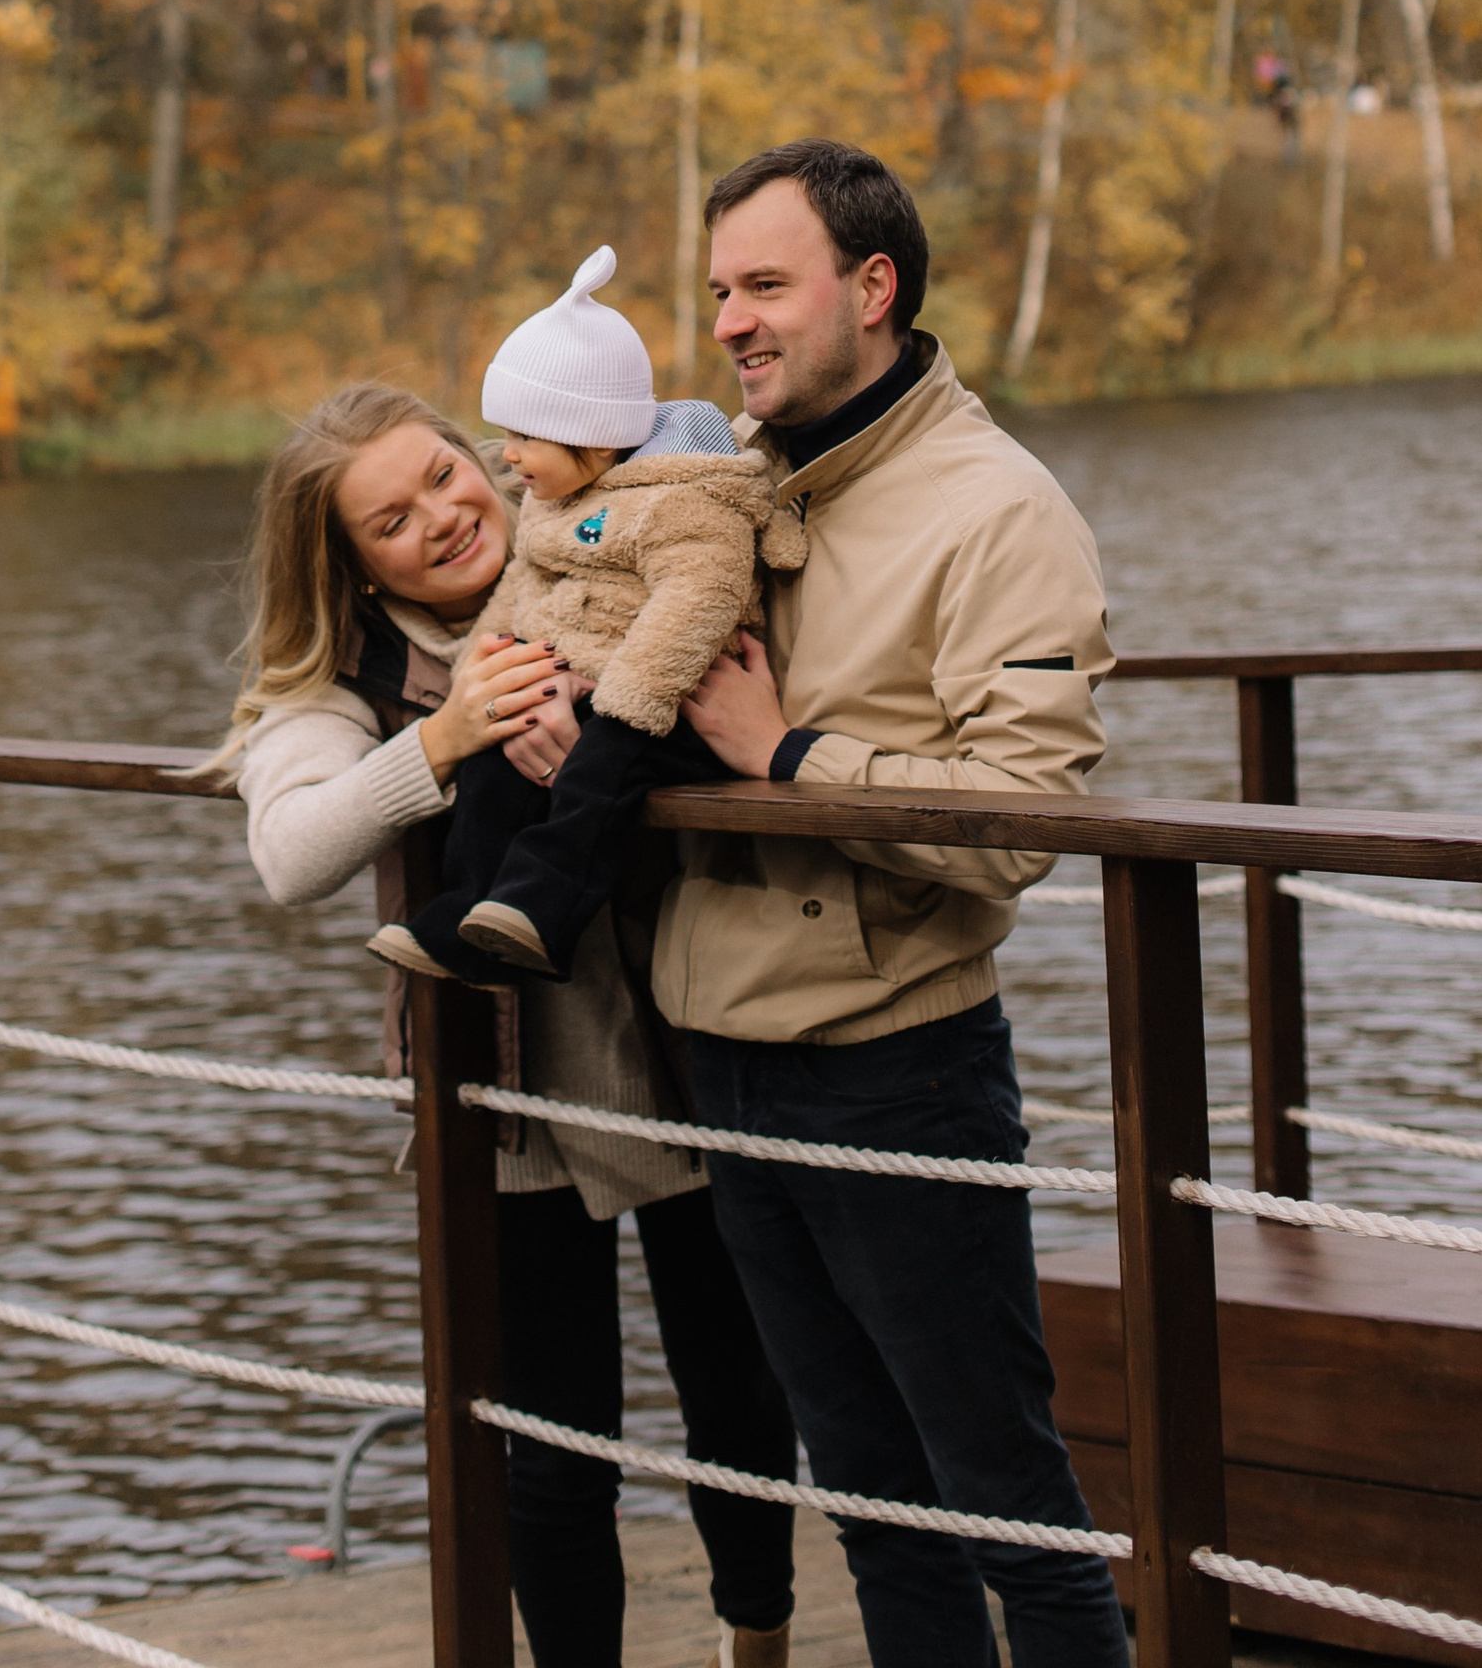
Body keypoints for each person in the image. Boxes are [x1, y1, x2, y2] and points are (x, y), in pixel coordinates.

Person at [226, 375, 799, 1668]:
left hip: (691, 1020)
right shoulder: (348, 681)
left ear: (491, 458)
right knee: (554, 1427)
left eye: (444, 475)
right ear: (348, 565)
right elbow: (292, 853)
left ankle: (756, 1638)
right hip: (510, 1074)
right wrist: (445, 742)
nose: (437, 517)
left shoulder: (595, 553)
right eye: (388, 520)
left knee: (739, 1379)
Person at [665, 137, 1129, 1668]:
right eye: (720, 288)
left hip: (896, 1067)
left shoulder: (997, 508)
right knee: (871, 1504)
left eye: (766, 285)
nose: (732, 318)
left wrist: (786, 754)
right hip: (721, 1053)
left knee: (1008, 1506)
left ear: (873, 288)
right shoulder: (717, 490)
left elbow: (1026, 818)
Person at [368, 246, 787, 985]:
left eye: (526, 438)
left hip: (673, 701)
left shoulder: (680, 502)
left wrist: (624, 699)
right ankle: (470, 911)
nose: (509, 459)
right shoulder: (556, 501)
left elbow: (699, 600)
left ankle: (543, 910)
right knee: (495, 765)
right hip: (590, 685)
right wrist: (486, 671)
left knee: (600, 769)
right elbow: (523, 586)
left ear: (590, 435)